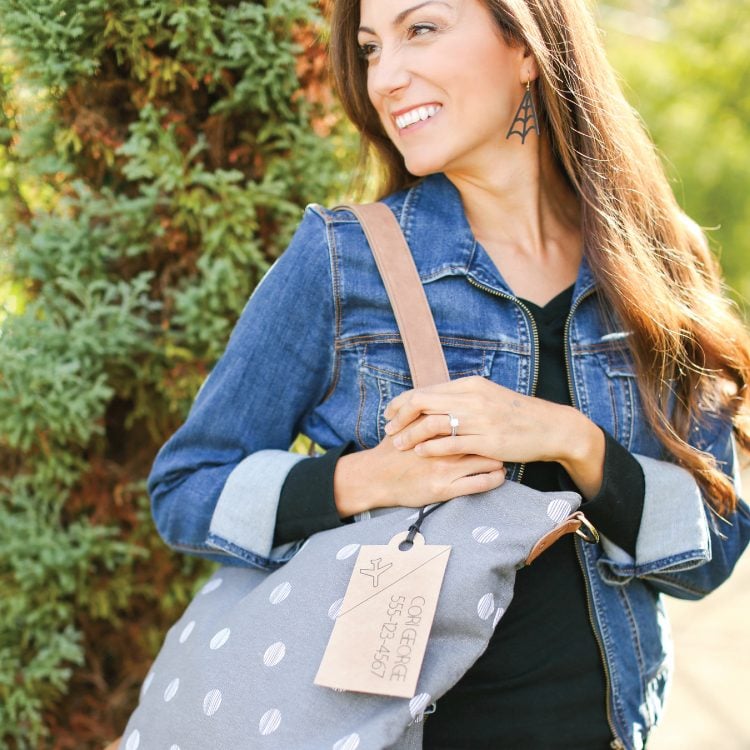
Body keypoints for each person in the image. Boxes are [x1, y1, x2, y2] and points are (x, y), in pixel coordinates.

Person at [136, 0, 750, 748]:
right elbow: (186, 487)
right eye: (369, 49)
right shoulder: (341, 260)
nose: (386, 77)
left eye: (420, 29)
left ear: (526, 47)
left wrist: (577, 443)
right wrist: (364, 481)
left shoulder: (655, 265)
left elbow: (708, 557)